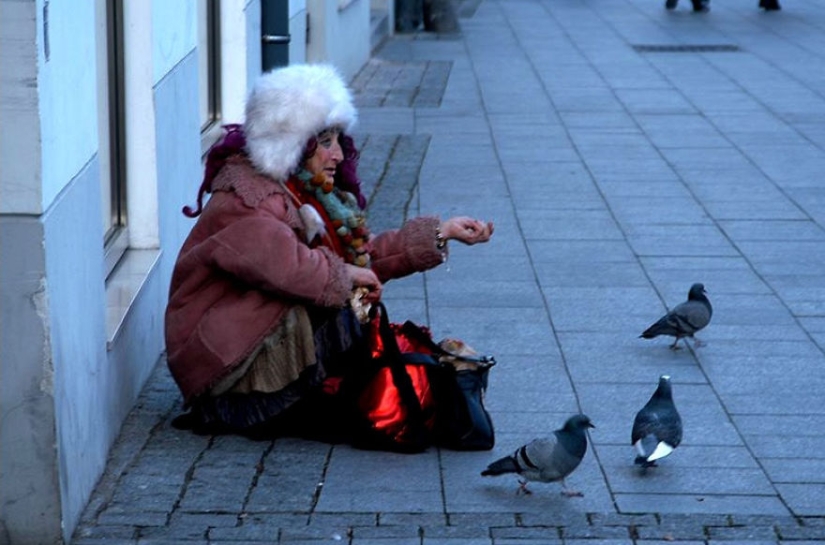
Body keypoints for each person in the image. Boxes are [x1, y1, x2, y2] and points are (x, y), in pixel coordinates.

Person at [165, 63, 494, 440]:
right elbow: (285, 266)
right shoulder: (246, 196)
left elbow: (359, 257)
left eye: (338, 139)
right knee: (338, 307)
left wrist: (440, 233)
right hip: (222, 369)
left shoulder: (303, 190)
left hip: (247, 344)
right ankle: (256, 408)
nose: (338, 154)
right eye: (325, 142)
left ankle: (332, 396)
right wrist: (348, 277)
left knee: (347, 303)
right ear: (291, 142)